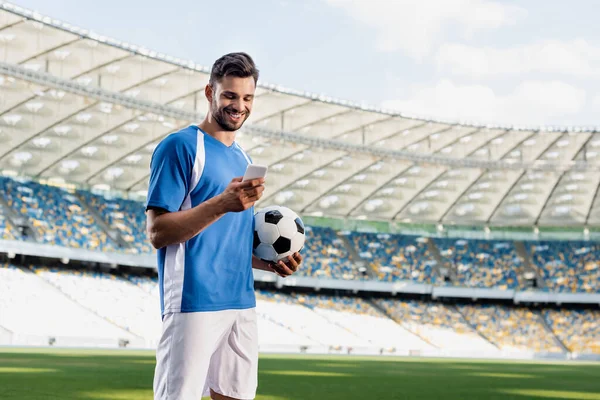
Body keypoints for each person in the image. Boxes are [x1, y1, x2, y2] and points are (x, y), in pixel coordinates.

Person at [145, 52, 302, 400]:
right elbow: (158, 233)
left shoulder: (244, 159)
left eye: (247, 98)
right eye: (230, 95)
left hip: (241, 301)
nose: (239, 106)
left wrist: (269, 262)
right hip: (194, 301)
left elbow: (228, 241)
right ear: (209, 92)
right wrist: (222, 203)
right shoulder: (181, 147)